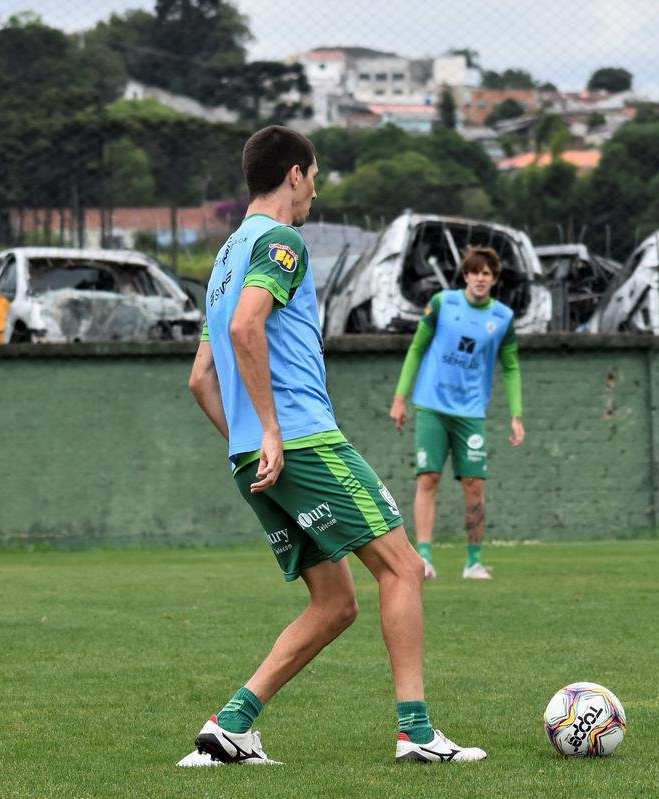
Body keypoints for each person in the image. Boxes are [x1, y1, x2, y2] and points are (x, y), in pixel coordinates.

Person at [182, 125, 486, 765]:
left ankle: (231, 726)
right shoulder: (282, 242)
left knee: (335, 603)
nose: (316, 191)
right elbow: (246, 328)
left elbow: (200, 379)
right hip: (302, 442)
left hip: (255, 458)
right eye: (314, 176)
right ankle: (416, 734)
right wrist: (274, 432)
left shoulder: (225, 258)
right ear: (294, 173)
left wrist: (251, 445)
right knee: (403, 568)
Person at [388, 247, 525, 580]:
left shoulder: (503, 318)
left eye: (486, 273)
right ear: (465, 276)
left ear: (494, 279)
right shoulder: (442, 304)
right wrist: (400, 398)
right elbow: (417, 348)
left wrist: (516, 415)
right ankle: (424, 559)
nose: (480, 278)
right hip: (432, 406)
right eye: (474, 272)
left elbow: (510, 367)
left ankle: (473, 562)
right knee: (428, 479)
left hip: (471, 412)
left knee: (475, 485)